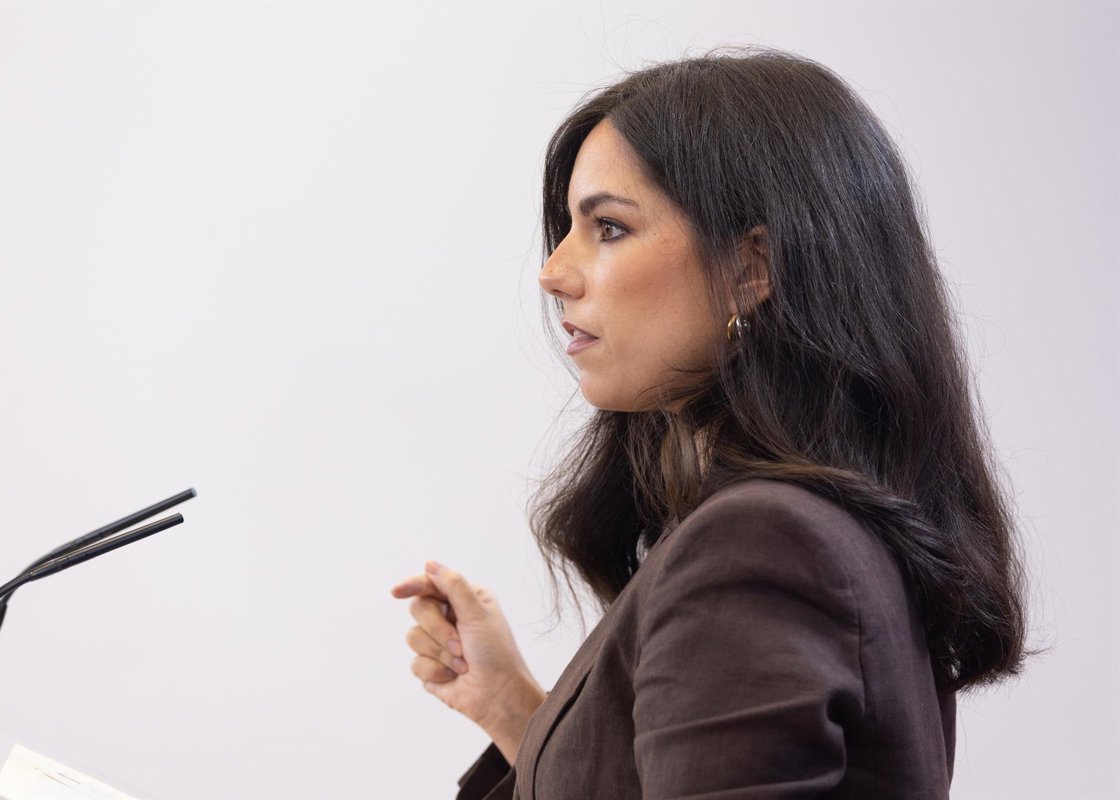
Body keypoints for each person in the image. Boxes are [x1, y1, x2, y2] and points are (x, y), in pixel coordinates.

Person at [390, 45, 1038, 799]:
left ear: (751, 268)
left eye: (609, 227)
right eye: (567, 228)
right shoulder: (810, 529)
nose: (553, 272)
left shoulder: (761, 544)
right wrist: (512, 710)